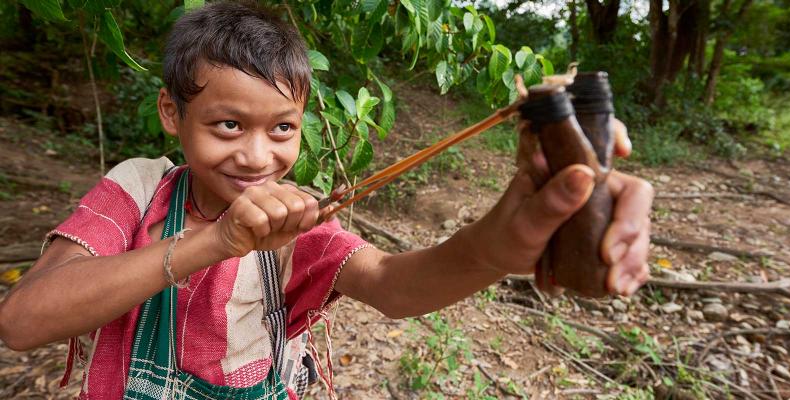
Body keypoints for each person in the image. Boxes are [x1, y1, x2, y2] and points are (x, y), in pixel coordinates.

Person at [0, 2, 653, 399]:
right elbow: (23, 321)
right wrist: (215, 242)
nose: (258, 158)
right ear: (172, 112)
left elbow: (394, 284)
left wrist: (498, 246)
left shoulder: (292, 217)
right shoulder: (139, 187)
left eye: (282, 128)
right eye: (229, 125)